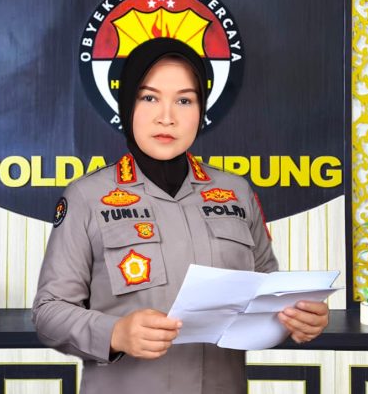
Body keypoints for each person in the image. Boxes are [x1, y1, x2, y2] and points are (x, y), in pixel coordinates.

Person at [33, 38, 329, 393]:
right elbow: (49, 312)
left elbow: (266, 297)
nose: (167, 117)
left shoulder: (237, 192)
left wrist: (296, 320)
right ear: (126, 104)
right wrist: (115, 333)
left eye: (184, 100)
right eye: (149, 98)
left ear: (201, 111)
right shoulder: (86, 196)